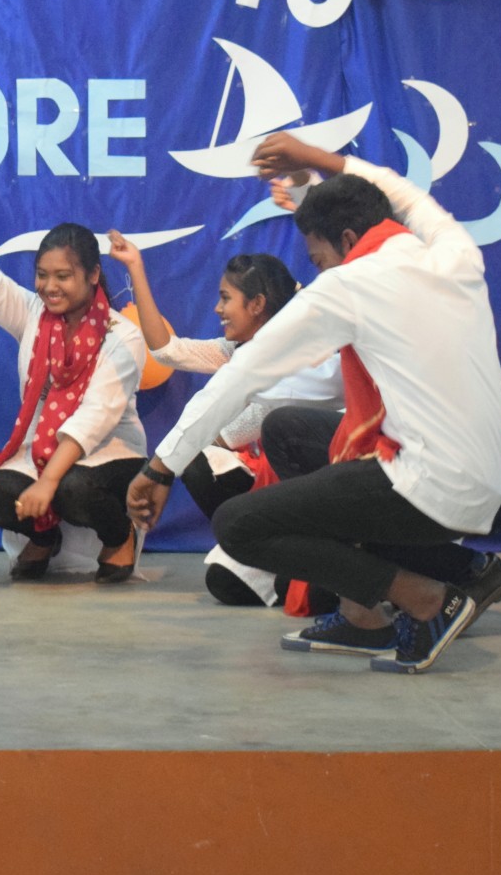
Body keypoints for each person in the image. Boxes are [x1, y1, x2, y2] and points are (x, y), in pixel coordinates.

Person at [141, 132, 501, 674]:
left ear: (347, 241)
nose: (320, 272)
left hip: (433, 486)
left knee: (239, 525)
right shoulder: (454, 252)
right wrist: (312, 160)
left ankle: (428, 599)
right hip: (497, 480)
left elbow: (245, 375)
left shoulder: (348, 287)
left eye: (319, 259)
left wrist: (161, 467)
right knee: (290, 431)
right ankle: (364, 617)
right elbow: (405, 194)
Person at [0, 151, 149, 583]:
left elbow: (94, 418)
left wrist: (46, 483)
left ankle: (118, 534)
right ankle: (44, 538)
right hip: (41, 451)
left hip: (110, 453)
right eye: (42, 275)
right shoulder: (33, 313)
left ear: (92, 275)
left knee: (72, 488)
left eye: (63, 276)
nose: (49, 287)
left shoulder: (123, 335)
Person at [111, 236, 344, 609]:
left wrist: (159, 471)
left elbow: (225, 432)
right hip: (277, 486)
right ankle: (268, 551)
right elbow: (168, 351)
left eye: (225, 298)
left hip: (330, 494)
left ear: (257, 304)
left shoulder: (301, 357)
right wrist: (135, 267)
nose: (217, 308)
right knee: (224, 582)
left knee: (198, 459)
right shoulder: (237, 349)